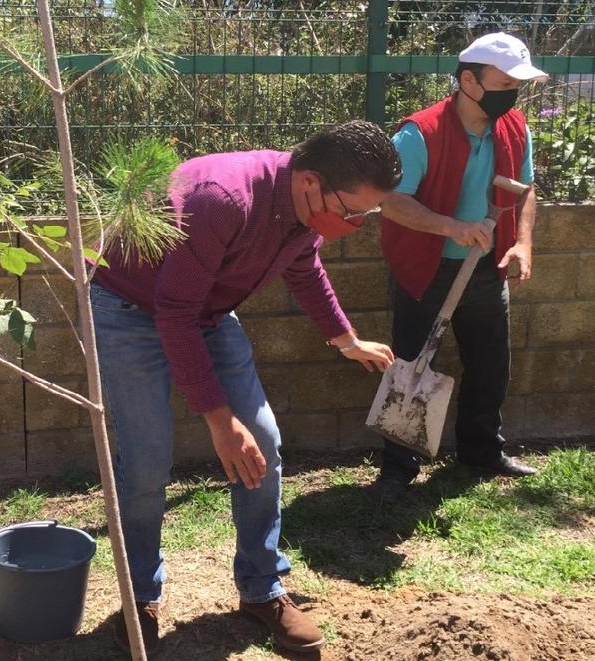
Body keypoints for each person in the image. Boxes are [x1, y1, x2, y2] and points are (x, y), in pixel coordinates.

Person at [90, 120, 400, 655]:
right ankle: (139, 594)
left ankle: (262, 589)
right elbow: (174, 312)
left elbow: (304, 268)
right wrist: (218, 420)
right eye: (352, 211)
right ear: (309, 181)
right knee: (146, 459)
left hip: (206, 311)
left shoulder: (306, 208)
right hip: (128, 309)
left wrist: (347, 341)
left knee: (264, 441)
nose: (355, 223)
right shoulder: (223, 200)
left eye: (365, 215)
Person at [375, 33, 548, 499]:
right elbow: (391, 201)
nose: (513, 91)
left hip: (488, 269)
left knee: (491, 366)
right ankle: (398, 466)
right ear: (468, 80)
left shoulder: (514, 127)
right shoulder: (418, 133)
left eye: (518, 83)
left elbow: (526, 189)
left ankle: (481, 451)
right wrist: (451, 227)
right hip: (424, 268)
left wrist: (523, 244)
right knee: (411, 365)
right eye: (504, 81)